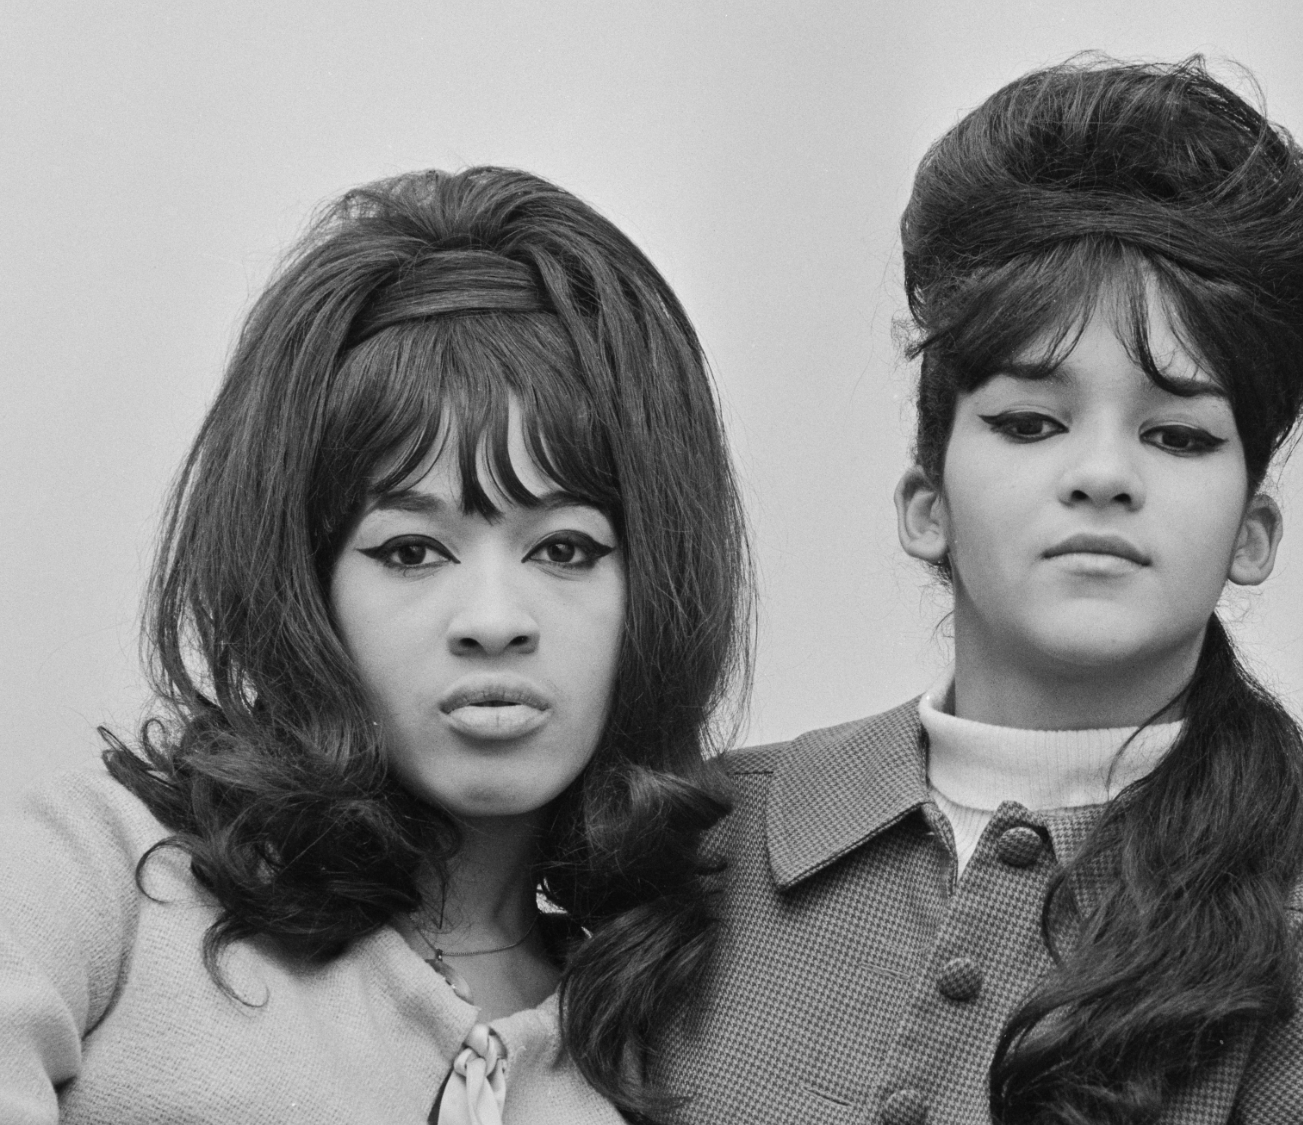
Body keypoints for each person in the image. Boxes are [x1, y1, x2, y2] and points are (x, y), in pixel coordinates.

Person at [657, 57, 1303, 1124]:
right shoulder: (702, 843)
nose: (1101, 473)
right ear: (925, 502)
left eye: (1176, 434)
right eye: (1029, 422)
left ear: (1253, 534)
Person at [0, 166, 749, 1124]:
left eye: (565, 548)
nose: (492, 617)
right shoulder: (102, 874)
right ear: (309, 585)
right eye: (411, 549)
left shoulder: (679, 1019)